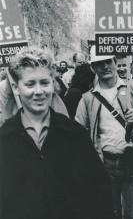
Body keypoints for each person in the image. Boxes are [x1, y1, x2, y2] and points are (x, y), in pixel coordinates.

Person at [0, 48, 113, 219]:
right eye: (30, 84)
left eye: (44, 83)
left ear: (53, 83)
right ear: (16, 88)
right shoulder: (4, 139)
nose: (39, 91)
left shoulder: (75, 134)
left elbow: (99, 192)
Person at [75, 48, 133, 219]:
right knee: (108, 213)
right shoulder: (87, 98)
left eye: (108, 61)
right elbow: (77, 134)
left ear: (114, 61)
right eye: (99, 63)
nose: (105, 66)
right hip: (104, 164)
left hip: (131, 161)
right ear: (93, 67)